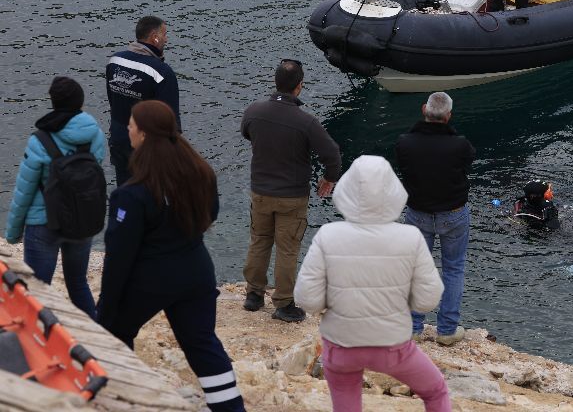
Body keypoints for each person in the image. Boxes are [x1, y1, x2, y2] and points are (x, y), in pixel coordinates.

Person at [96, 100, 245, 411]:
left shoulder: (131, 194)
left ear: (143, 135)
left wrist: (105, 311)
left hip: (152, 280)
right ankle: (231, 408)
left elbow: (119, 257)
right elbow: (211, 213)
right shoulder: (200, 173)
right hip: (196, 271)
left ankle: (123, 400)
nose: (127, 129)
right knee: (202, 343)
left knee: (115, 333)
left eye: (131, 125)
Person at [295, 156, 449, 412]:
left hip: (341, 344)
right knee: (436, 391)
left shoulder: (328, 235)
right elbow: (428, 299)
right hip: (393, 345)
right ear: (393, 192)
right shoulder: (410, 237)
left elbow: (307, 298)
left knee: (346, 400)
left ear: (346, 191)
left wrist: (333, 304)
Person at [240, 59, 342, 323]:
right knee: (287, 249)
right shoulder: (305, 122)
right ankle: (284, 303)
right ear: (299, 87)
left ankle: (253, 295)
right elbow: (332, 154)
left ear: (276, 82)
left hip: (260, 192)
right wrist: (329, 178)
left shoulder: (254, 111)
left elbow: (247, 133)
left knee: (259, 240)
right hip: (291, 196)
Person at [5, 77, 104, 318]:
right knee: (78, 283)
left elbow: (24, 190)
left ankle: (38, 335)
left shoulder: (39, 140)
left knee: (38, 290)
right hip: (81, 220)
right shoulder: (95, 135)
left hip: (44, 224)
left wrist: (13, 233)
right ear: (80, 102)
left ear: (53, 102)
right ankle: (95, 330)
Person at [394, 92, 475, 345]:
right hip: (453, 214)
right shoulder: (460, 144)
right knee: (453, 268)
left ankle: (414, 328)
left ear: (423, 110)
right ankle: (447, 330)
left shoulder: (405, 142)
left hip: (418, 213)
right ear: (448, 116)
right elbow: (468, 163)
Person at [105, 15, 179, 186]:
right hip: (147, 148)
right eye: (164, 34)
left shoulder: (115, 61)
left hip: (118, 139)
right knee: (150, 194)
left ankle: (122, 205)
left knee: (124, 190)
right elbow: (170, 120)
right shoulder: (162, 72)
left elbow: (112, 100)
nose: (166, 39)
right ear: (154, 37)